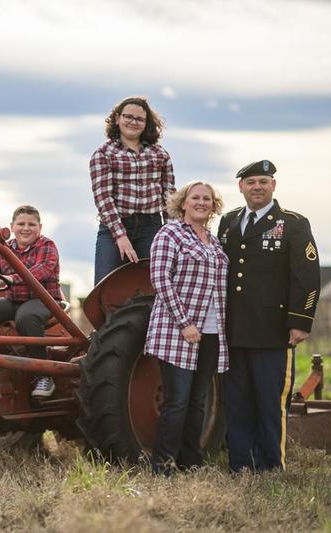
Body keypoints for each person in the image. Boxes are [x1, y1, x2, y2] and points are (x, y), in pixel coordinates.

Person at [217, 160, 321, 472]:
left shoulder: (293, 223)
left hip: (272, 331)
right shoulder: (229, 222)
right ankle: (241, 464)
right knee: (237, 402)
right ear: (241, 187)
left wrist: (300, 321)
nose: (257, 187)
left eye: (263, 181)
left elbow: (307, 276)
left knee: (270, 401)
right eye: (251, 182)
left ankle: (271, 466)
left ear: (273, 185)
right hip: (234, 331)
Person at [145, 181, 229, 475]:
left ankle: (191, 463)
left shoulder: (214, 241)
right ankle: (163, 465)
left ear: (213, 206)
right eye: (196, 198)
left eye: (207, 199)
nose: (201, 202)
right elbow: (160, 279)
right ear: (183, 203)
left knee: (197, 403)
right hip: (176, 332)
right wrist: (185, 323)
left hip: (211, 332)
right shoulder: (170, 233)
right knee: (177, 401)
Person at [90, 96, 176, 285]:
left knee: (152, 285)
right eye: (128, 116)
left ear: (147, 124)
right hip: (114, 228)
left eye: (139, 119)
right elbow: (103, 197)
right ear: (117, 119)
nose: (133, 122)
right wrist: (120, 236)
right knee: (106, 287)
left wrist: (170, 234)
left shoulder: (160, 154)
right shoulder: (103, 154)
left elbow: (170, 197)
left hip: (151, 227)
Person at [0, 205, 63, 398]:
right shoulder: (4, 248)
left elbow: (42, 270)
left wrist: (12, 278)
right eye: (21, 223)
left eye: (31, 224)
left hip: (43, 300)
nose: (26, 228)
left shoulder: (47, 246)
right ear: (12, 226)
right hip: (13, 300)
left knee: (26, 318)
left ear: (40, 227)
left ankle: (43, 375)